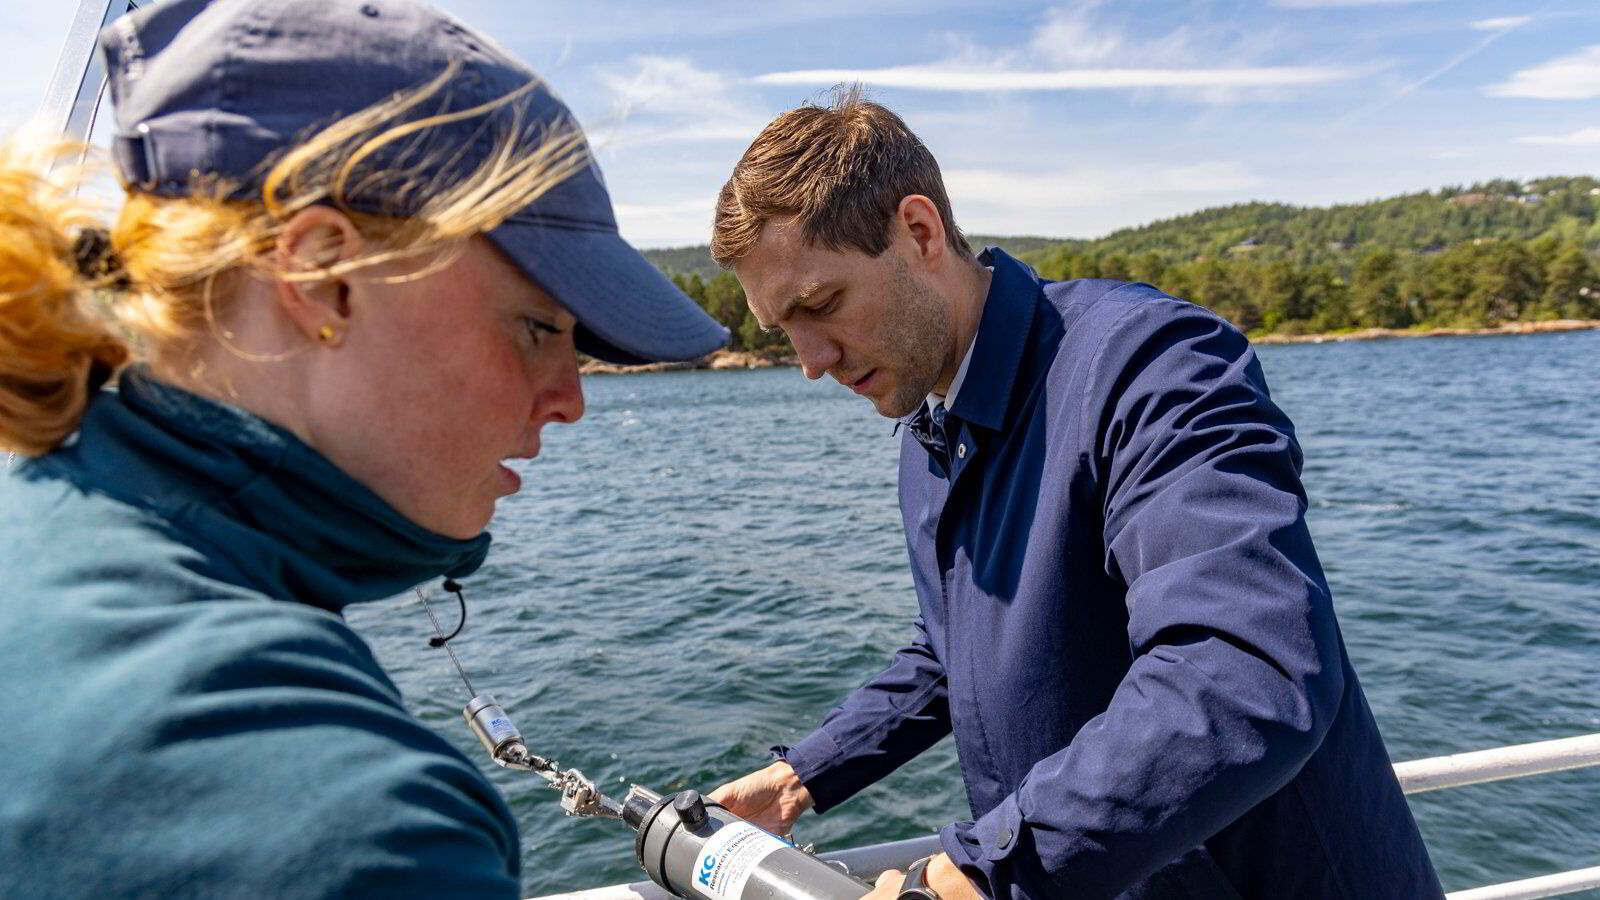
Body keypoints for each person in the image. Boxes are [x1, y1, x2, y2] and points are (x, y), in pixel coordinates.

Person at [0, 0, 726, 896]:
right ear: (320, 277)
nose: (570, 400)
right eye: (538, 327)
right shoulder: (352, 824)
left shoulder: (42, 540)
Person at [706, 91, 1444, 899]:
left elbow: (1246, 668)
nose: (810, 361)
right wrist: (805, 775)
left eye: (820, 305)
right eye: (783, 329)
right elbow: (957, 649)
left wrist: (989, 871)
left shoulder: (1153, 363)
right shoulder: (931, 435)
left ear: (918, 232)